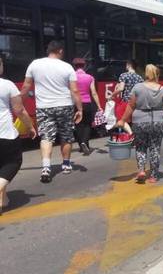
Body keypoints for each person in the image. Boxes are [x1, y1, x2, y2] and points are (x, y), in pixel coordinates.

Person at [20, 41, 83, 183]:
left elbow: (26, 87)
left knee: (46, 137)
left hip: (44, 107)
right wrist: (79, 109)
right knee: (66, 136)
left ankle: (46, 167)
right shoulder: (67, 67)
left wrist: (18, 102)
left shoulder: (35, 64)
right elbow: (74, 90)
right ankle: (66, 165)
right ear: (60, 51)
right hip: (65, 106)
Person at [117, 64, 163, 184]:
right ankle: (154, 176)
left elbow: (131, 106)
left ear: (146, 73)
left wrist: (123, 120)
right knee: (155, 149)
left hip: (140, 121)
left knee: (141, 147)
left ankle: (141, 170)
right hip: (158, 122)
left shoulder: (138, 88)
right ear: (157, 74)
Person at [0, 56, 37, 213]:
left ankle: (3, 200)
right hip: (5, 133)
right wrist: (30, 127)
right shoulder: (7, 84)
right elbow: (19, 110)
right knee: (13, 162)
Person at [72, 58, 103, 155]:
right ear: (84, 66)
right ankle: (85, 143)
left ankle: (82, 145)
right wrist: (99, 106)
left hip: (75, 103)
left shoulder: (72, 77)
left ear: (74, 66)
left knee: (78, 124)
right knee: (87, 124)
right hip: (87, 103)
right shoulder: (90, 77)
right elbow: (93, 93)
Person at [109, 60, 143, 135]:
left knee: (120, 120)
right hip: (136, 102)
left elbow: (121, 88)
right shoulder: (139, 77)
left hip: (126, 101)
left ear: (129, 65)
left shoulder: (124, 75)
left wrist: (112, 95)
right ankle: (132, 136)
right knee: (132, 121)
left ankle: (131, 134)